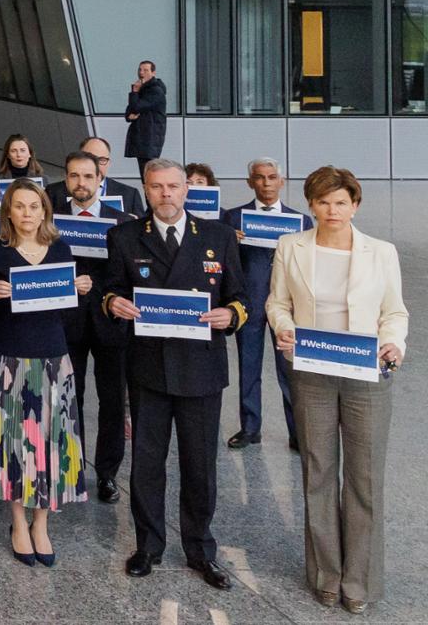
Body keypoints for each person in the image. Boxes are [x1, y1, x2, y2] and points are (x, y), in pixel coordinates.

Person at [265, 166, 406, 615]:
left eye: (341, 202)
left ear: (355, 205)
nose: (332, 210)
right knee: (319, 473)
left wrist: (393, 343)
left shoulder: (381, 252)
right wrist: (284, 329)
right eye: (323, 202)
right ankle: (327, 574)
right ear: (310, 204)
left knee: (364, 480)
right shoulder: (291, 247)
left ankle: (358, 580)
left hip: (366, 374)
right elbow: (277, 303)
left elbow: (394, 311)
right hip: (312, 372)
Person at [102, 159, 247, 589]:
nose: (165, 194)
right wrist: (112, 303)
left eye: (173, 187)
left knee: (199, 466)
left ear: (187, 190)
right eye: (157, 187)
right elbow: (112, 288)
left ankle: (201, 549)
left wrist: (230, 314)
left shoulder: (218, 237)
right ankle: (148, 545)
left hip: (201, 368)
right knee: (147, 464)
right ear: (145, 190)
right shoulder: (125, 236)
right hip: (148, 367)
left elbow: (241, 297)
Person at [0, 180, 93, 567]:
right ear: (8, 211)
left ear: (45, 211)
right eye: (19, 206)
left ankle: (42, 522)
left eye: (34, 206)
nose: (27, 213)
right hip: (8, 356)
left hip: (52, 356)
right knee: (13, 442)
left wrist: (79, 288)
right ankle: (18, 522)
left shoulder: (60, 249)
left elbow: (65, 307)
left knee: (51, 441)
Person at [52, 151, 133, 504]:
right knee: (69, 398)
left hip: (111, 322)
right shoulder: (50, 223)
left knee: (112, 400)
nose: (81, 183)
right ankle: (73, 468)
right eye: (74, 176)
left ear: (100, 178)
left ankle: (107, 474)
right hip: (67, 320)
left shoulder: (122, 222)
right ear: (66, 180)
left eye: (88, 176)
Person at [220, 157, 311, 450]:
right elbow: (220, 262)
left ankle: (298, 432)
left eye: (272, 177)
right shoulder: (232, 220)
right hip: (249, 302)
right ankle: (250, 428)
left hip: (287, 306)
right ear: (250, 182)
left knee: (290, 370)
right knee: (249, 366)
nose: (266, 183)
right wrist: (228, 242)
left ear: (281, 181)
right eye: (259, 178)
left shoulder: (301, 222)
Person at [124, 61, 166, 171]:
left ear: (153, 72)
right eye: (140, 69)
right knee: (144, 170)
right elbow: (129, 110)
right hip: (143, 137)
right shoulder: (143, 89)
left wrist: (135, 92)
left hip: (150, 137)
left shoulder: (155, 90)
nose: (141, 72)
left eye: (146, 70)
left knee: (148, 171)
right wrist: (129, 116)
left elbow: (136, 107)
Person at [0, 134, 43, 203]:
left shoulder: (43, 179)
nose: (18, 155)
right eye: (13, 151)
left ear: (30, 154)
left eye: (22, 150)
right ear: (8, 155)